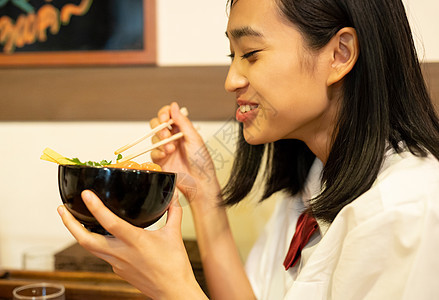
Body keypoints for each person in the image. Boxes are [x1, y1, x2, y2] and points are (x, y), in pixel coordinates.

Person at [57, 0, 439, 299]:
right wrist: (203, 191)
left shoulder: (405, 209)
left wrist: (172, 288)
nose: (232, 79)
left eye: (251, 54)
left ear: (339, 54)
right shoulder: (315, 177)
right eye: (232, 56)